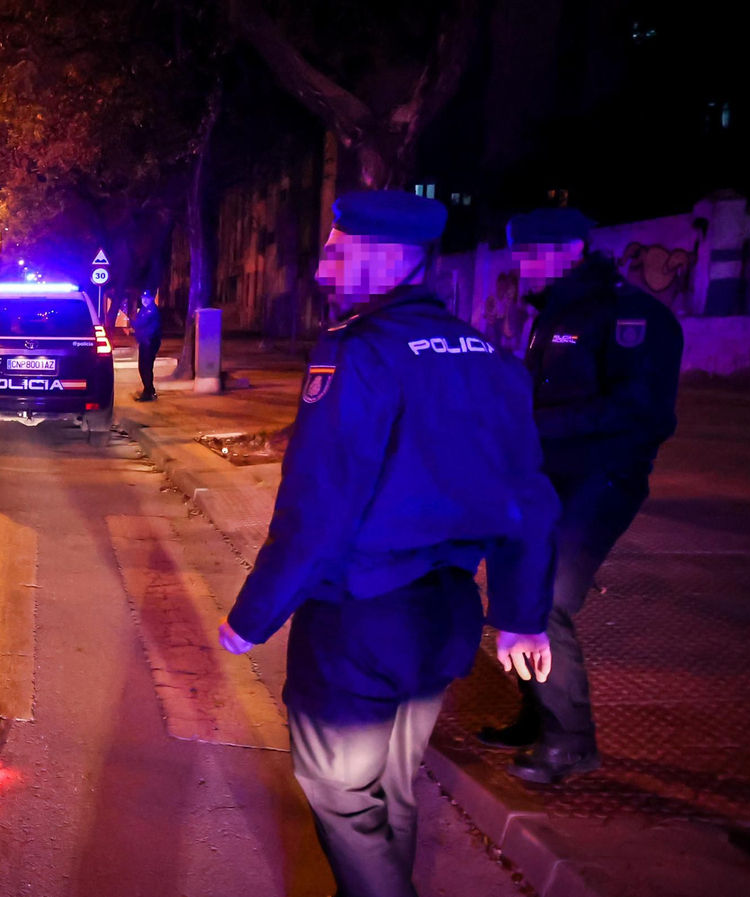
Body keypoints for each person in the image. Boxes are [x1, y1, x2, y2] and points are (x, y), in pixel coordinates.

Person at [218, 190, 558, 897]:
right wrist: (522, 614)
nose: (323, 269)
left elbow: (319, 505)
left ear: (388, 258)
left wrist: (252, 617)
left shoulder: (359, 352)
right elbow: (529, 495)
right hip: (447, 617)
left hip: (360, 618)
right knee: (391, 789)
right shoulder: (493, 358)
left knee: (342, 791)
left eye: (339, 254)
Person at [478, 208, 684, 784]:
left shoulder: (634, 316)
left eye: (533, 252)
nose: (522, 264)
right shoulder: (551, 314)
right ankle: (537, 715)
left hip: (603, 478)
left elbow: (642, 413)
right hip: (545, 474)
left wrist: (535, 424)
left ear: (571, 249)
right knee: (521, 586)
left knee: (548, 598)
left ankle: (570, 742)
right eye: (518, 251)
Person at [131, 290, 163, 402]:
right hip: (144, 342)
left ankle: (148, 393)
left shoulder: (152, 311)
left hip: (149, 343)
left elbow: (140, 324)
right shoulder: (144, 310)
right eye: (143, 298)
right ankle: (150, 389)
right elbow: (137, 323)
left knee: (145, 368)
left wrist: (133, 322)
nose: (144, 300)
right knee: (144, 367)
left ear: (152, 299)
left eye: (147, 298)